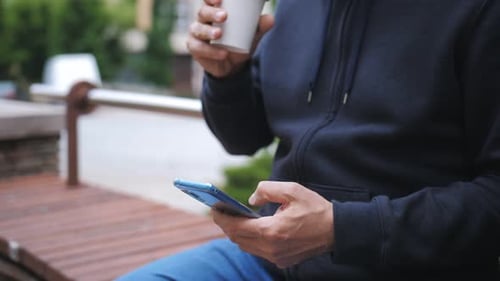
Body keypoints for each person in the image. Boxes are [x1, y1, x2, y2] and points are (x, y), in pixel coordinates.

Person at [116, 0, 500, 280]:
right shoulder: (297, 6)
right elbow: (243, 137)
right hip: (270, 266)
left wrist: (343, 229)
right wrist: (226, 76)